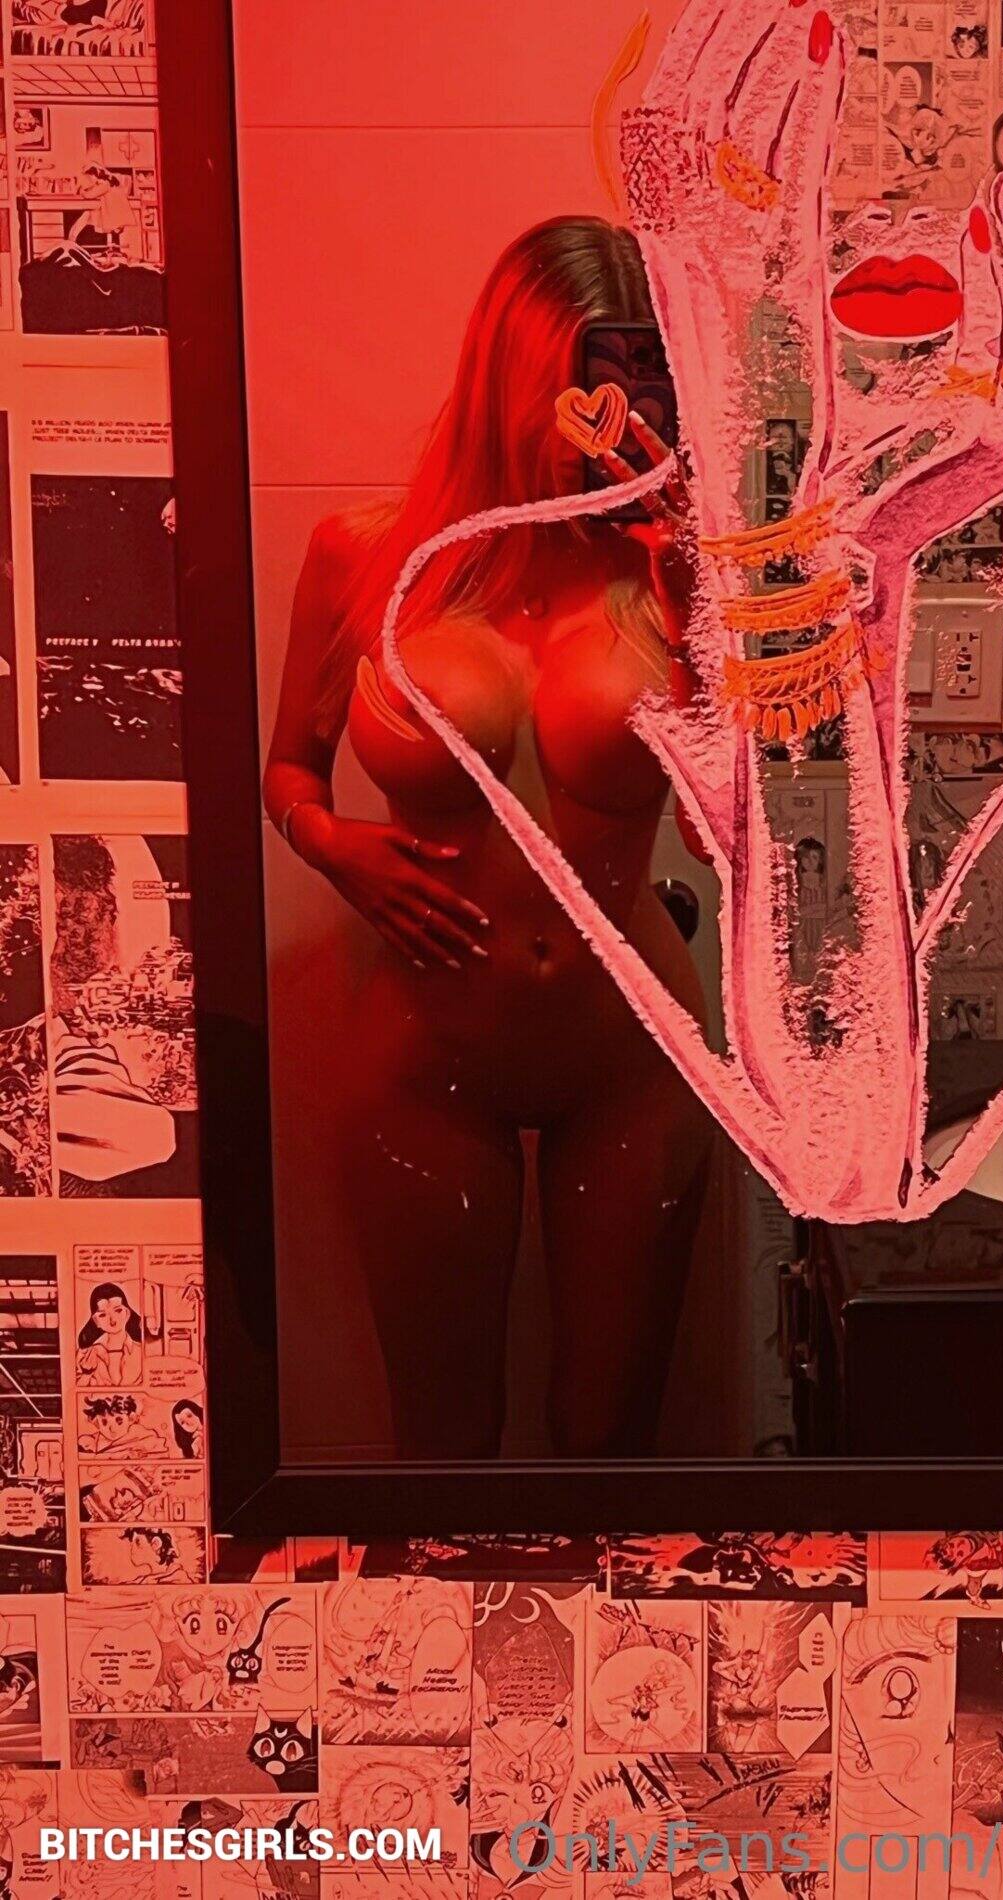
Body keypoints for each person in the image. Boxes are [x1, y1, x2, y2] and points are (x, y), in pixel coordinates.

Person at [264, 217, 713, 1460]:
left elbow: (727, 814)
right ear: (515, 378)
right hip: (424, 1053)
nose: (618, 417)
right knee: (440, 1445)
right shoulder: (363, 555)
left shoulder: (676, 572)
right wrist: (329, 842)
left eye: (648, 379)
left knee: (609, 1445)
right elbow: (289, 764)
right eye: (592, 381)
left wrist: (693, 606)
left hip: (628, 1053)